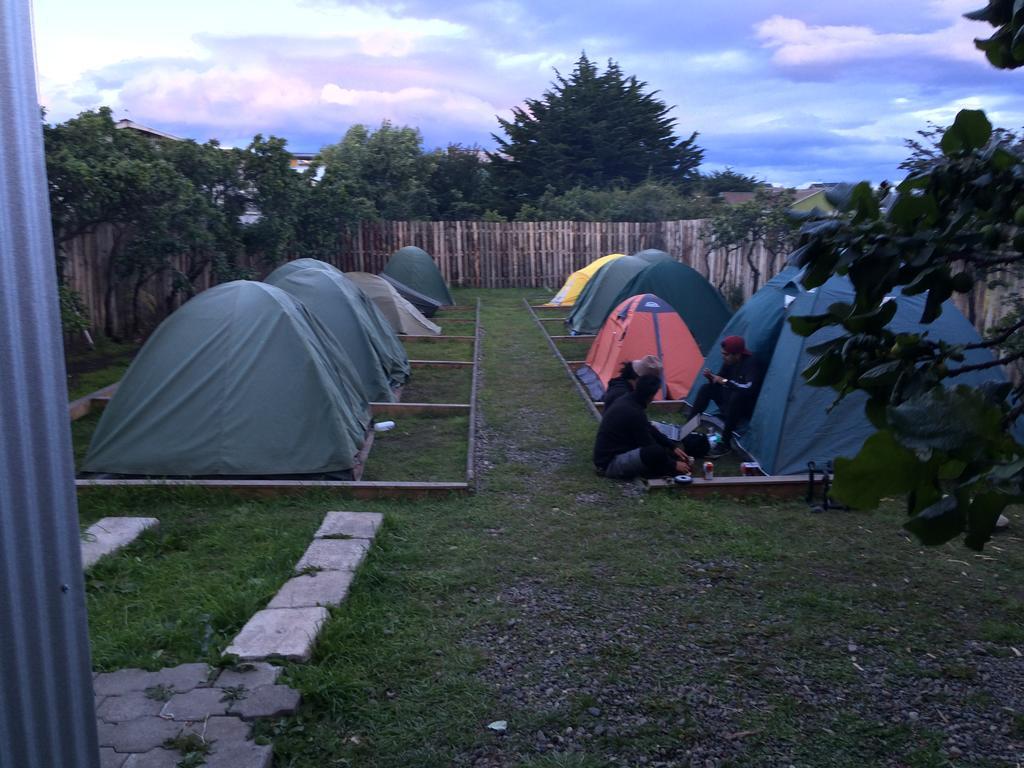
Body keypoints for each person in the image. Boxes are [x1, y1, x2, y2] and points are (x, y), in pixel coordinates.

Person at [594, 374, 692, 479]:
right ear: (650, 396)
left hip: (610, 455)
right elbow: (648, 444)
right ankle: (670, 471)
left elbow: (648, 428)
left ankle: (666, 466)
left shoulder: (628, 400)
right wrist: (673, 464)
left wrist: (672, 446)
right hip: (610, 464)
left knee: (662, 451)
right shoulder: (634, 412)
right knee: (656, 452)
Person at [686, 335, 762, 457]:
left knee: (737, 397)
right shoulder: (729, 362)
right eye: (723, 354)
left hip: (743, 407)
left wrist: (725, 381)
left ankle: (725, 443)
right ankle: (688, 428)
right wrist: (712, 378)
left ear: (737, 354)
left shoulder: (751, 363)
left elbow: (749, 388)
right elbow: (721, 380)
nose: (723, 357)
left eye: (726, 354)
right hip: (729, 401)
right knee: (706, 389)